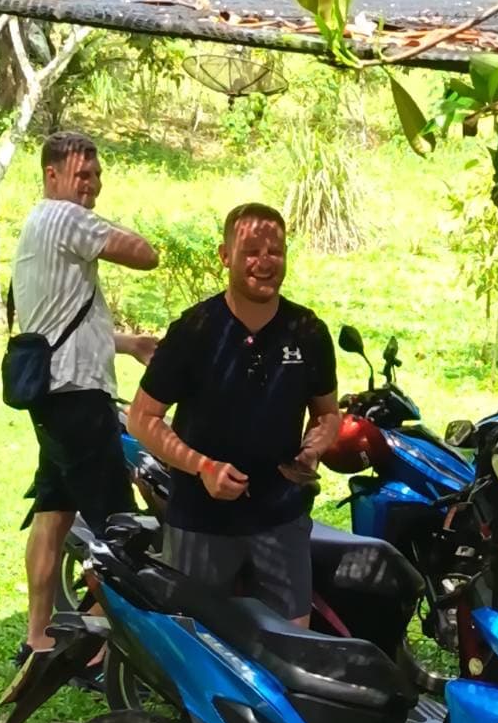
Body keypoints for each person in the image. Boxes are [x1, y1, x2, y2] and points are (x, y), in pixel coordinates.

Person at [127, 203, 340, 625]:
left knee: (293, 641)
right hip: (201, 518)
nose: (264, 263)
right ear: (226, 257)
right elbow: (142, 418)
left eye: (275, 251)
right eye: (251, 252)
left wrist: (317, 443)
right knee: (198, 642)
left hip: (280, 515)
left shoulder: (308, 331)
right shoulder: (195, 330)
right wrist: (202, 466)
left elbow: (327, 414)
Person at [12, 131, 159, 664]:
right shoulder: (66, 218)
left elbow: (57, 325)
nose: (92, 187)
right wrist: (110, 226)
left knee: (54, 512)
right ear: (52, 175)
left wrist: (127, 343)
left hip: (53, 400)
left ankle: (38, 635)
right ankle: (101, 646)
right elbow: (146, 255)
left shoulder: (35, 225)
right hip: (79, 400)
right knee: (116, 522)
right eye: (82, 176)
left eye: (97, 176)